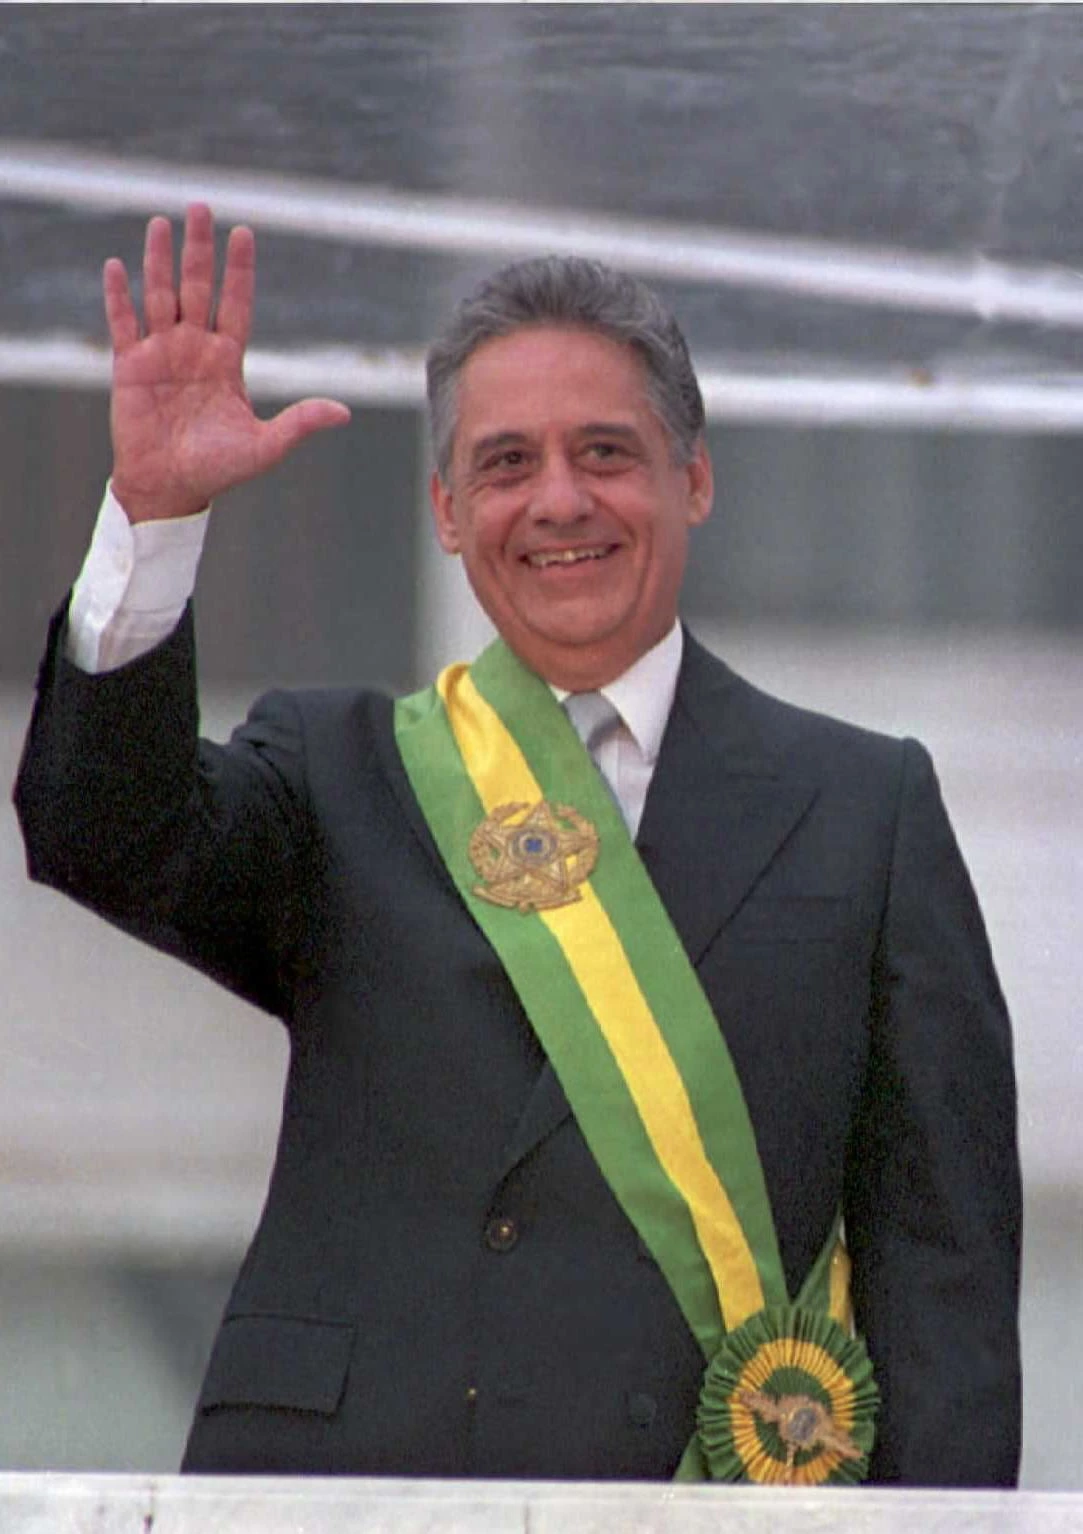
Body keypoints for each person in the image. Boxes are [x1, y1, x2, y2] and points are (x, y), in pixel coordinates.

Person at [14, 205, 1021, 1487]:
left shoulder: (865, 806)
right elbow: (101, 830)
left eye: (605, 451)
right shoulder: (343, 772)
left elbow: (945, 1275)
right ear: (445, 509)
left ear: (694, 479)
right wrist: (153, 519)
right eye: (505, 464)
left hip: (692, 1503)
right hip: (349, 1496)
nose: (558, 499)